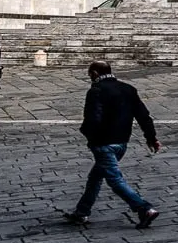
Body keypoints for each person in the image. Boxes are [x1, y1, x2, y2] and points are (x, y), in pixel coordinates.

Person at [64, 59, 159, 229]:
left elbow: (93, 117)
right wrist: (151, 138)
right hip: (122, 142)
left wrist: (88, 135)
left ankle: (144, 208)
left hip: (103, 143)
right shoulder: (128, 89)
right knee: (95, 178)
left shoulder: (96, 91)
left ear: (94, 73)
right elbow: (144, 116)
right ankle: (81, 212)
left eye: (89, 74)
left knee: (115, 180)